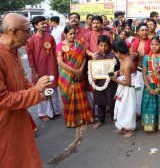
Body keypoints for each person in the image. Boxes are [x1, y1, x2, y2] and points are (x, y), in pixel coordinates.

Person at [0, 13, 52, 167]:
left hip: (18, 118)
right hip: (4, 123)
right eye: (28, 30)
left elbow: (21, 80)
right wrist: (36, 90)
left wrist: (41, 92)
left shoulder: (14, 51)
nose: (30, 35)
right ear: (13, 32)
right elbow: (3, 99)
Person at [56, 25, 94, 127]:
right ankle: (71, 120)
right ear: (65, 34)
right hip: (66, 76)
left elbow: (84, 58)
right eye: (70, 34)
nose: (73, 36)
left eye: (74, 34)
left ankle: (82, 118)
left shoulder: (79, 44)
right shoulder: (60, 45)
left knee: (80, 96)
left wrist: (81, 69)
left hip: (78, 75)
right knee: (69, 97)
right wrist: (73, 70)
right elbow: (59, 62)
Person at [26, 16, 60, 121]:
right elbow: (30, 56)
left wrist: (56, 65)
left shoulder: (50, 37)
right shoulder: (31, 39)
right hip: (38, 69)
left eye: (46, 23)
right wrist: (33, 71)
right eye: (42, 24)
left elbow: (55, 52)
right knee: (41, 90)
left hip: (51, 67)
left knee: (53, 89)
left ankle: (55, 110)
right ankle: (42, 113)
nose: (45, 25)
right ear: (36, 26)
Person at [141, 35, 160, 132]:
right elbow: (144, 73)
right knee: (149, 105)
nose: (153, 47)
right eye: (151, 44)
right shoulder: (146, 58)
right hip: (150, 85)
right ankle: (150, 125)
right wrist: (148, 88)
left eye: (156, 44)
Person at [110, 40, 136, 138]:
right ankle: (123, 127)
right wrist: (115, 73)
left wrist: (114, 79)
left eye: (114, 53)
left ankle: (130, 130)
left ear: (119, 53)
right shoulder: (123, 60)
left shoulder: (128, 63)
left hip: (128, 89)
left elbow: (128, 83)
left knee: (128, 108)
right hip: (122, 87)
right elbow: (122, 72)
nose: (115, 54)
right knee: (121, 108)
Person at [92, 35, 119, 129]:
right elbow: (93, 68)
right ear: (98, 45)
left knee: (112, 101)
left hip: (111, 83)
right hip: (99, 83)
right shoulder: (96, 56)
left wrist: (115, 73)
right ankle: (100, 120)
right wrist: (93, 75)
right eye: (101, 45)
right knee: (100, 102)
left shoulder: (113, 56)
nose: (103, 48)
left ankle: (115, 119)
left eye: (106, 45)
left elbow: (118, 69)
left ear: (109, 46)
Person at [130, 23, 151, 116]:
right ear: (138, 32)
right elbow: (131, 58)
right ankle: (138, 113)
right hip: (138, 72)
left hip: (149, 73)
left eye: (146, 30)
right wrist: (136, 56)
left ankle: (147, 113)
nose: (144, 32)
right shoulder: (133, 43)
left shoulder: (152, 42)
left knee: (148, 94)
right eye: (142, 30)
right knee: (138, 94)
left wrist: (147, 57)